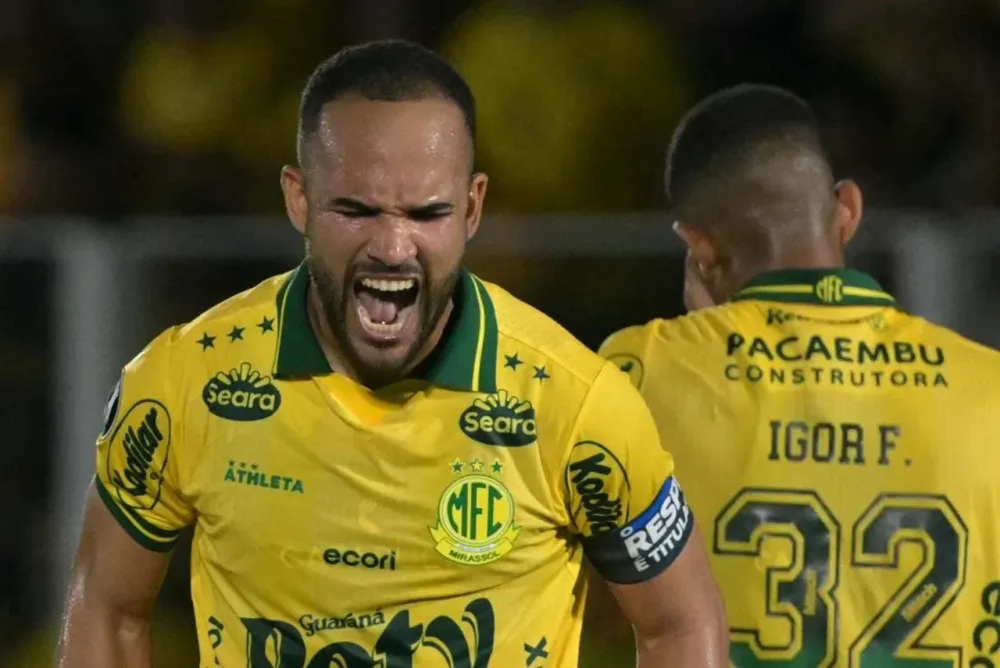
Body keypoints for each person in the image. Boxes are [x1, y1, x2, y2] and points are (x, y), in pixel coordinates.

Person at [57, 40, 727, 668]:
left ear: (473, 208)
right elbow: (108, 609)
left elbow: (680, 625)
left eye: (427, 214)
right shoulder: (186, 381)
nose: (393, 247)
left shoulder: (576, 403)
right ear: (298, 198)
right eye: (357, 210)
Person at [599, 83, 1000, 667]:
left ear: (698, 247)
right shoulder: (987, 386)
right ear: (848, 212)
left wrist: (707, 342)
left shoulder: (639, 373)